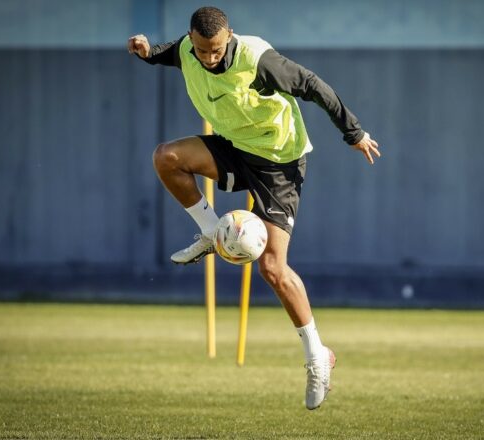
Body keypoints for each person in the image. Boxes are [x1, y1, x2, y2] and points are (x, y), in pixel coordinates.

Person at [127, 6, 380, 410]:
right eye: (201, 50)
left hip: (280, 162)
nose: (209, 58)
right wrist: (145, 51)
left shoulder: (257, 58)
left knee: (272, 268)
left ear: (229, 36)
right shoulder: (187, 50)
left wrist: (353, 132)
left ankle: (318, 355)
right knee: (166, 158)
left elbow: (313, 85)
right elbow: (165, 54)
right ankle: (212, 232)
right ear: (191, 40)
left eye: (216, 50)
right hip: (234, 148)